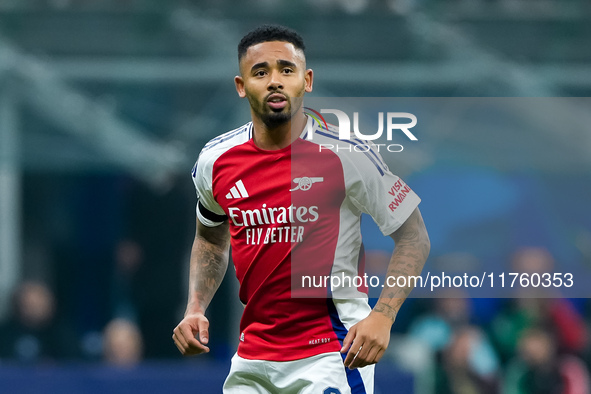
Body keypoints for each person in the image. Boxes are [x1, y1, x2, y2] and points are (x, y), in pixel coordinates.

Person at [172, 24, 430, 393]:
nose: (275, 81)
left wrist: (383, 316)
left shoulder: (348, 153)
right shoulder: (216, 160)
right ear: (241, 86)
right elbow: (211, 239)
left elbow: (414, 237)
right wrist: (195, 306)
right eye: (261, 72)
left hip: (331, 353)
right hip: (253, 358)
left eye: (286, 70)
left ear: (306, 80)